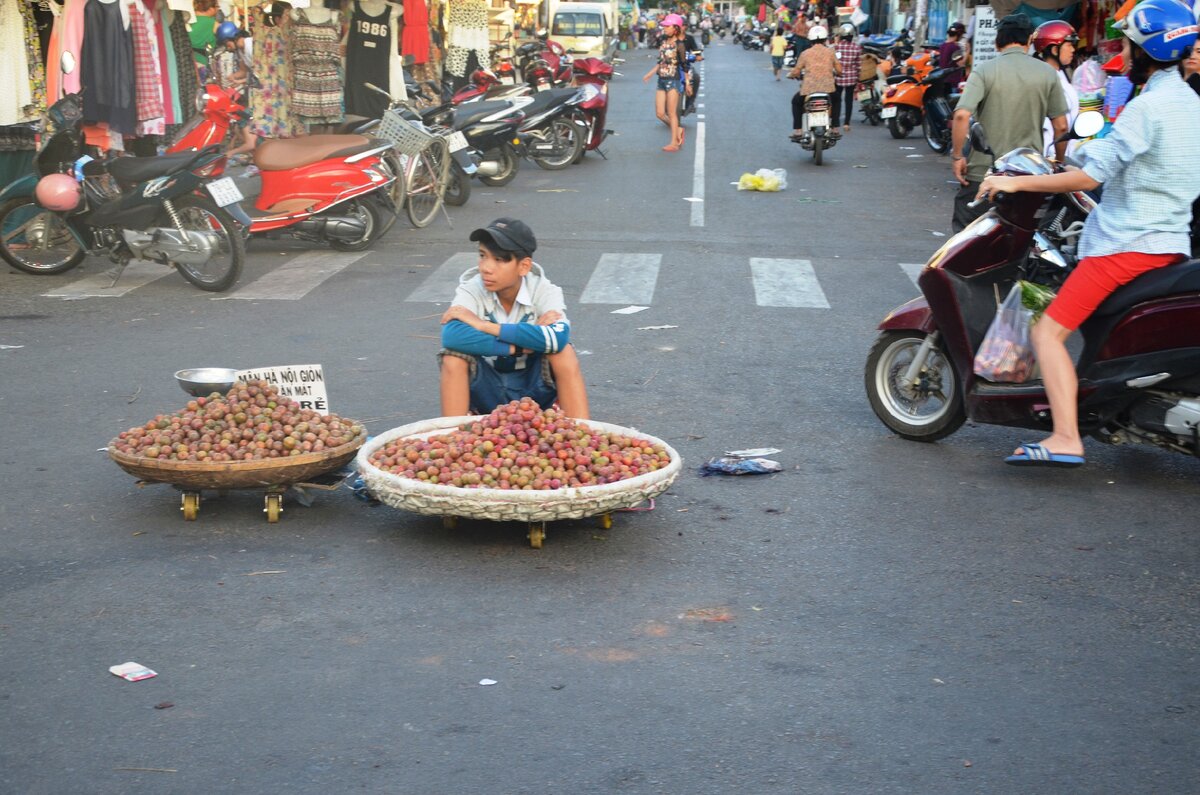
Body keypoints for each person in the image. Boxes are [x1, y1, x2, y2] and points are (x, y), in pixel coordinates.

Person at [974, 0, 1200, 467]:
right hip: (1170, 243)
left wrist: (1015, 180)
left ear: (1144, 51)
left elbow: (1088, 179)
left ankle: (1064, 437)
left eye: (1127, 45)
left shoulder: (1149, 107)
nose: (1121, 53)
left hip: (1126, 246)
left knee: (1049, 334)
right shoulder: (1189, 103)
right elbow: (1123, 158)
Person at [440, 218, 590, 420]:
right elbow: (452, 337)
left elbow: (557, 338)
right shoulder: (472, 288)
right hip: (488, 388)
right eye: (483, 256)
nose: (486, 267)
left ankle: (580, 436)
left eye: (500, 260)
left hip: (535, 390)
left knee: (564, 352)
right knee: (453, 356)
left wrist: (483, 325)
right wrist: (520, 345)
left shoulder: (544, 291)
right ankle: (453, 440)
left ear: (524, 266)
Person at [949, 13, 1068, 232]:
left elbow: (961, 115)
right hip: (1029, 176)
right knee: (1021, 240)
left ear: (997, 41)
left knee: (966, 241)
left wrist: (958, 156)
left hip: (984, 172)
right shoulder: (1048, 73)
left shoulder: (985, 70)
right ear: (1029, 40)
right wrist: (1058, 163)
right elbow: (1061, 126)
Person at [1032, 20, 1081, 159]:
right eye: (1069, 44)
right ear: (1054, 49)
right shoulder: (1046, 79)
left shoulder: (1058, 75)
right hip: (1050, 157)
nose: (1073, 50)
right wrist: (1059, 161)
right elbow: (1059, 127)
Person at [642, 13, 687, 151]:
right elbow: (661, 62)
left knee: (672, 113)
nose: (665, 28)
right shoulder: (663, 42)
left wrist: (688, 83)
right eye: (664, 26)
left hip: (673, 81)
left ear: (676, 28)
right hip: (661, 80)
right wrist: (649, 74)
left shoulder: (679, 45)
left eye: (668, 26)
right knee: (660, 113)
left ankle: (674, 143)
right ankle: (678, 130)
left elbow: (685, 66)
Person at [787, 24, 840, 138]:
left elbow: (796, 71)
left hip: (809, 89)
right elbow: (839, 70)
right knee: (836, 100)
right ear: (825, 39)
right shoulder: (831, 52)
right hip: (828, 88)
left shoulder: (805, 54)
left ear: (810, 39)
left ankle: (798, 130)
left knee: (796, 102)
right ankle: (835, 127)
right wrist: (838, 73)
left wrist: (791, 75)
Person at [833, 23, 862, 133]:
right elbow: (858, 66)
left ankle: (835, 123)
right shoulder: (856, 48)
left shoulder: (837, 47)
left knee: (837, 100)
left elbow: (833, 62)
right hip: (851, 78)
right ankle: (846, 123)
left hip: (838, 77)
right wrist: (857, 78)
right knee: (848, 101)